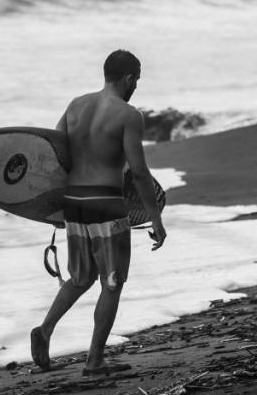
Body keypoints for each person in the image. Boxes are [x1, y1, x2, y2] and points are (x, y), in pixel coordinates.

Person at [30, 49, 167, 376]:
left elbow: (54, 156)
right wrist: (156, 217)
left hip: (74, 202)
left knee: (81, 277)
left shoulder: (76, 105)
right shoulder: (128, 115)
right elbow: (139, 171)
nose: (136, 87)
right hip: (106, 202)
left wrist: (54, 209)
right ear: (129, 78)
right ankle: (94, 360)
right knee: (112, 281)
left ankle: (45, 330)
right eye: (137, 81)